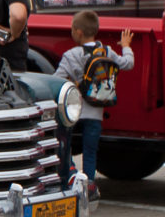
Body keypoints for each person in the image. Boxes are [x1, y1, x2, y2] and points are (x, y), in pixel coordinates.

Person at [54, 10, 134, 194]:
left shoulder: (71, 55)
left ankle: (70, 178)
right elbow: (128, 63)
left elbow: (55, 79)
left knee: (63, 146)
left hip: (73, 112)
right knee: (90, 152)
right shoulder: (106, 51)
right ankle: (88, 188)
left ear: (78, 32)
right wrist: (127, 46)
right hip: (96, 113)